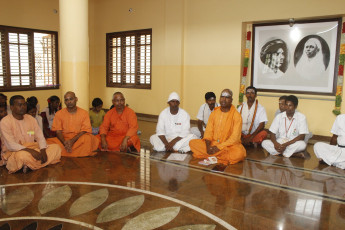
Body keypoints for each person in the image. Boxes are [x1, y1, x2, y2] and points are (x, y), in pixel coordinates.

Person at [0, 95, 61, 173]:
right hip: (14, 152)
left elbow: (40, 136)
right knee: (21, 156)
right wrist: (30, 151)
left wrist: (42, 150)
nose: (23, 107)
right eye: (19, 105)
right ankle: (36, 163)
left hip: (33, 148)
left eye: (24, 104)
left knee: (56, 148)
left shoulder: (31, 119)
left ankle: (30, 165)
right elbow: (10, 144)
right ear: (12, 107)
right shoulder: (5, 122)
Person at [189, 89, 246, 165]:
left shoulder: (236, 116)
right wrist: (208, 146)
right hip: (213, 143)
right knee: (192, 143)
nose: (224, 99)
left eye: (227, 97)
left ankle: (213, 155)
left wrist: (219, 147)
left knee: (239, 153)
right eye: (222, 97)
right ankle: (218, 156)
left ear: (231, 100)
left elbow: (234, 138)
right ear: (219, 99)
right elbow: (208, 131)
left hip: (228, 146)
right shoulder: (214, 113)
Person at [47, 91, 99, 157]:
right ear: (64, 102)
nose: (69, 102)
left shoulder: (84, 113)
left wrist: (72, 141)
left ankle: (66, 152)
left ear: (76, 99)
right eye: (66, 100)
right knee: (49, 142)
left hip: (78, 139)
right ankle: (77, 151)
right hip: (64, 139)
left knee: (88, 139)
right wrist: (65, 143)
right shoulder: (59, 114)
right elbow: (58, 131)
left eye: (71, 99)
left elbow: (84, 130)